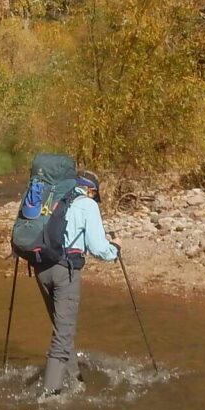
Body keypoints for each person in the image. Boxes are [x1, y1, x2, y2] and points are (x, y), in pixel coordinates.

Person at [35, 169, 120, 396]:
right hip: (66, 272)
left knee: (62, 328)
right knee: (63, 334)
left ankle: (76, 380)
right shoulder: (86, 204)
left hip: (41, 268)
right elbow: (98, 247)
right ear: (90, 189)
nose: (94, 199)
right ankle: (50, 396)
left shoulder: (50, 197)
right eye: (94, 195)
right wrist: (115, 251)